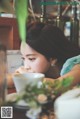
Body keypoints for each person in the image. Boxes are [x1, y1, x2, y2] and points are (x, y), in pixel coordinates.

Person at [8, 22, 80, 88]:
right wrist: (17, 77)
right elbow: (6, 80)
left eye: (31, 59)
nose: (26, 66)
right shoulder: (42, 71)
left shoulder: (76, 66)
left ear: (53, 58)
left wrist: (27, 77)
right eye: (23, 58)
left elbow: (57, 85)